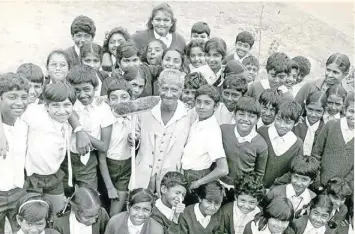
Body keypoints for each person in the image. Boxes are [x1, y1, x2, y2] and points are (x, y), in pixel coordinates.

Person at [132, 69, 196, 193]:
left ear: (182, 90)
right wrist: (134, 138)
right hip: (143, 173)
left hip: (171, 176)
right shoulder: (145, 109)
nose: (168, 94)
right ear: (158, 87)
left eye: (174, 90)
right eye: (164, 88)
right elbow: (136, 133)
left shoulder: (190, 115)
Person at [20, 83, 76, 214]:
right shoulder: (35, 114)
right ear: (46, 106)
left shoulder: (67, 123)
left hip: (54, 176)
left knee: (58, 213)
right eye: (55, 105)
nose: (62, 110)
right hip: (32, 177)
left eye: (67, 105)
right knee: (34, 214)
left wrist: (79, 129)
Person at [65, 65, 115, 191]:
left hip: (87, 162)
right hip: (64, 159)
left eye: (87, 89)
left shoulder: (103, 109)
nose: (82, 95)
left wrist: (82, 133)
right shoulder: (68, 105)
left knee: (88, 199)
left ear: (96, 87)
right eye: (77, 90)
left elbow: (104, 146)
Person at [181, 85, 228, 204]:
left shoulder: (212, 131)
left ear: (216, 106)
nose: (201, 107)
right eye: (199, 102)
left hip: (197, 176)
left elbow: (223, 169)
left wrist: (198, 183)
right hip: (186, 173)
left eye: (207, 103)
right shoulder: (197, 120)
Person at [99, 79, 139, 216]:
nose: (119, 102)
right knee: (102, 208)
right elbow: (101, 157)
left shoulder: (134, 118)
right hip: (107, 169)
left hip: (125, 169)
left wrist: (136, 140)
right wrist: (109, 186)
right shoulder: (105, 121)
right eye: (114, 98)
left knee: (114, 213)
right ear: (108, 101)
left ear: (131, 99)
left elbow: (139, 139)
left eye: (124, 97)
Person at [0, 73, 29, 233]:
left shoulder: (24, 124)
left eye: (23, 97)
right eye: (12, 96)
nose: (19, 102)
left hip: (18, 191)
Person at [220, 97, 268, 190]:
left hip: (241, 189)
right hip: (218, 183)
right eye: (241, 114)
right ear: (234, 115)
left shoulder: (261, 145)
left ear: (258, 119)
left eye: (251, 116)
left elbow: (259, 174)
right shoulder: (223, 130)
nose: (245, 119)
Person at [312, 91, 354, 190]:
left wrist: (344, 183)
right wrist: (317, 180)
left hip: (340, 189)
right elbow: (316, 154)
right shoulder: (331, 125)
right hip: (320, 184)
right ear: (344, 110)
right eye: (352, 111)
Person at [257, 100, 303, 188]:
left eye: (288, 122)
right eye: (278, 119)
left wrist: (275, 186)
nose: (281, 125)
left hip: (278, 189)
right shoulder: (262, 132)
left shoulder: (297, 144)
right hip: (256, 186)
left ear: (296, 123)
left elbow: (294, 171)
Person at [292, 91, 326, 156]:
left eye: (318, 111)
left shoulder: (325, 130)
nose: (313, 115)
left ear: (324, 111)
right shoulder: (296, 124)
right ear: (305, 107)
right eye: (310, 109)